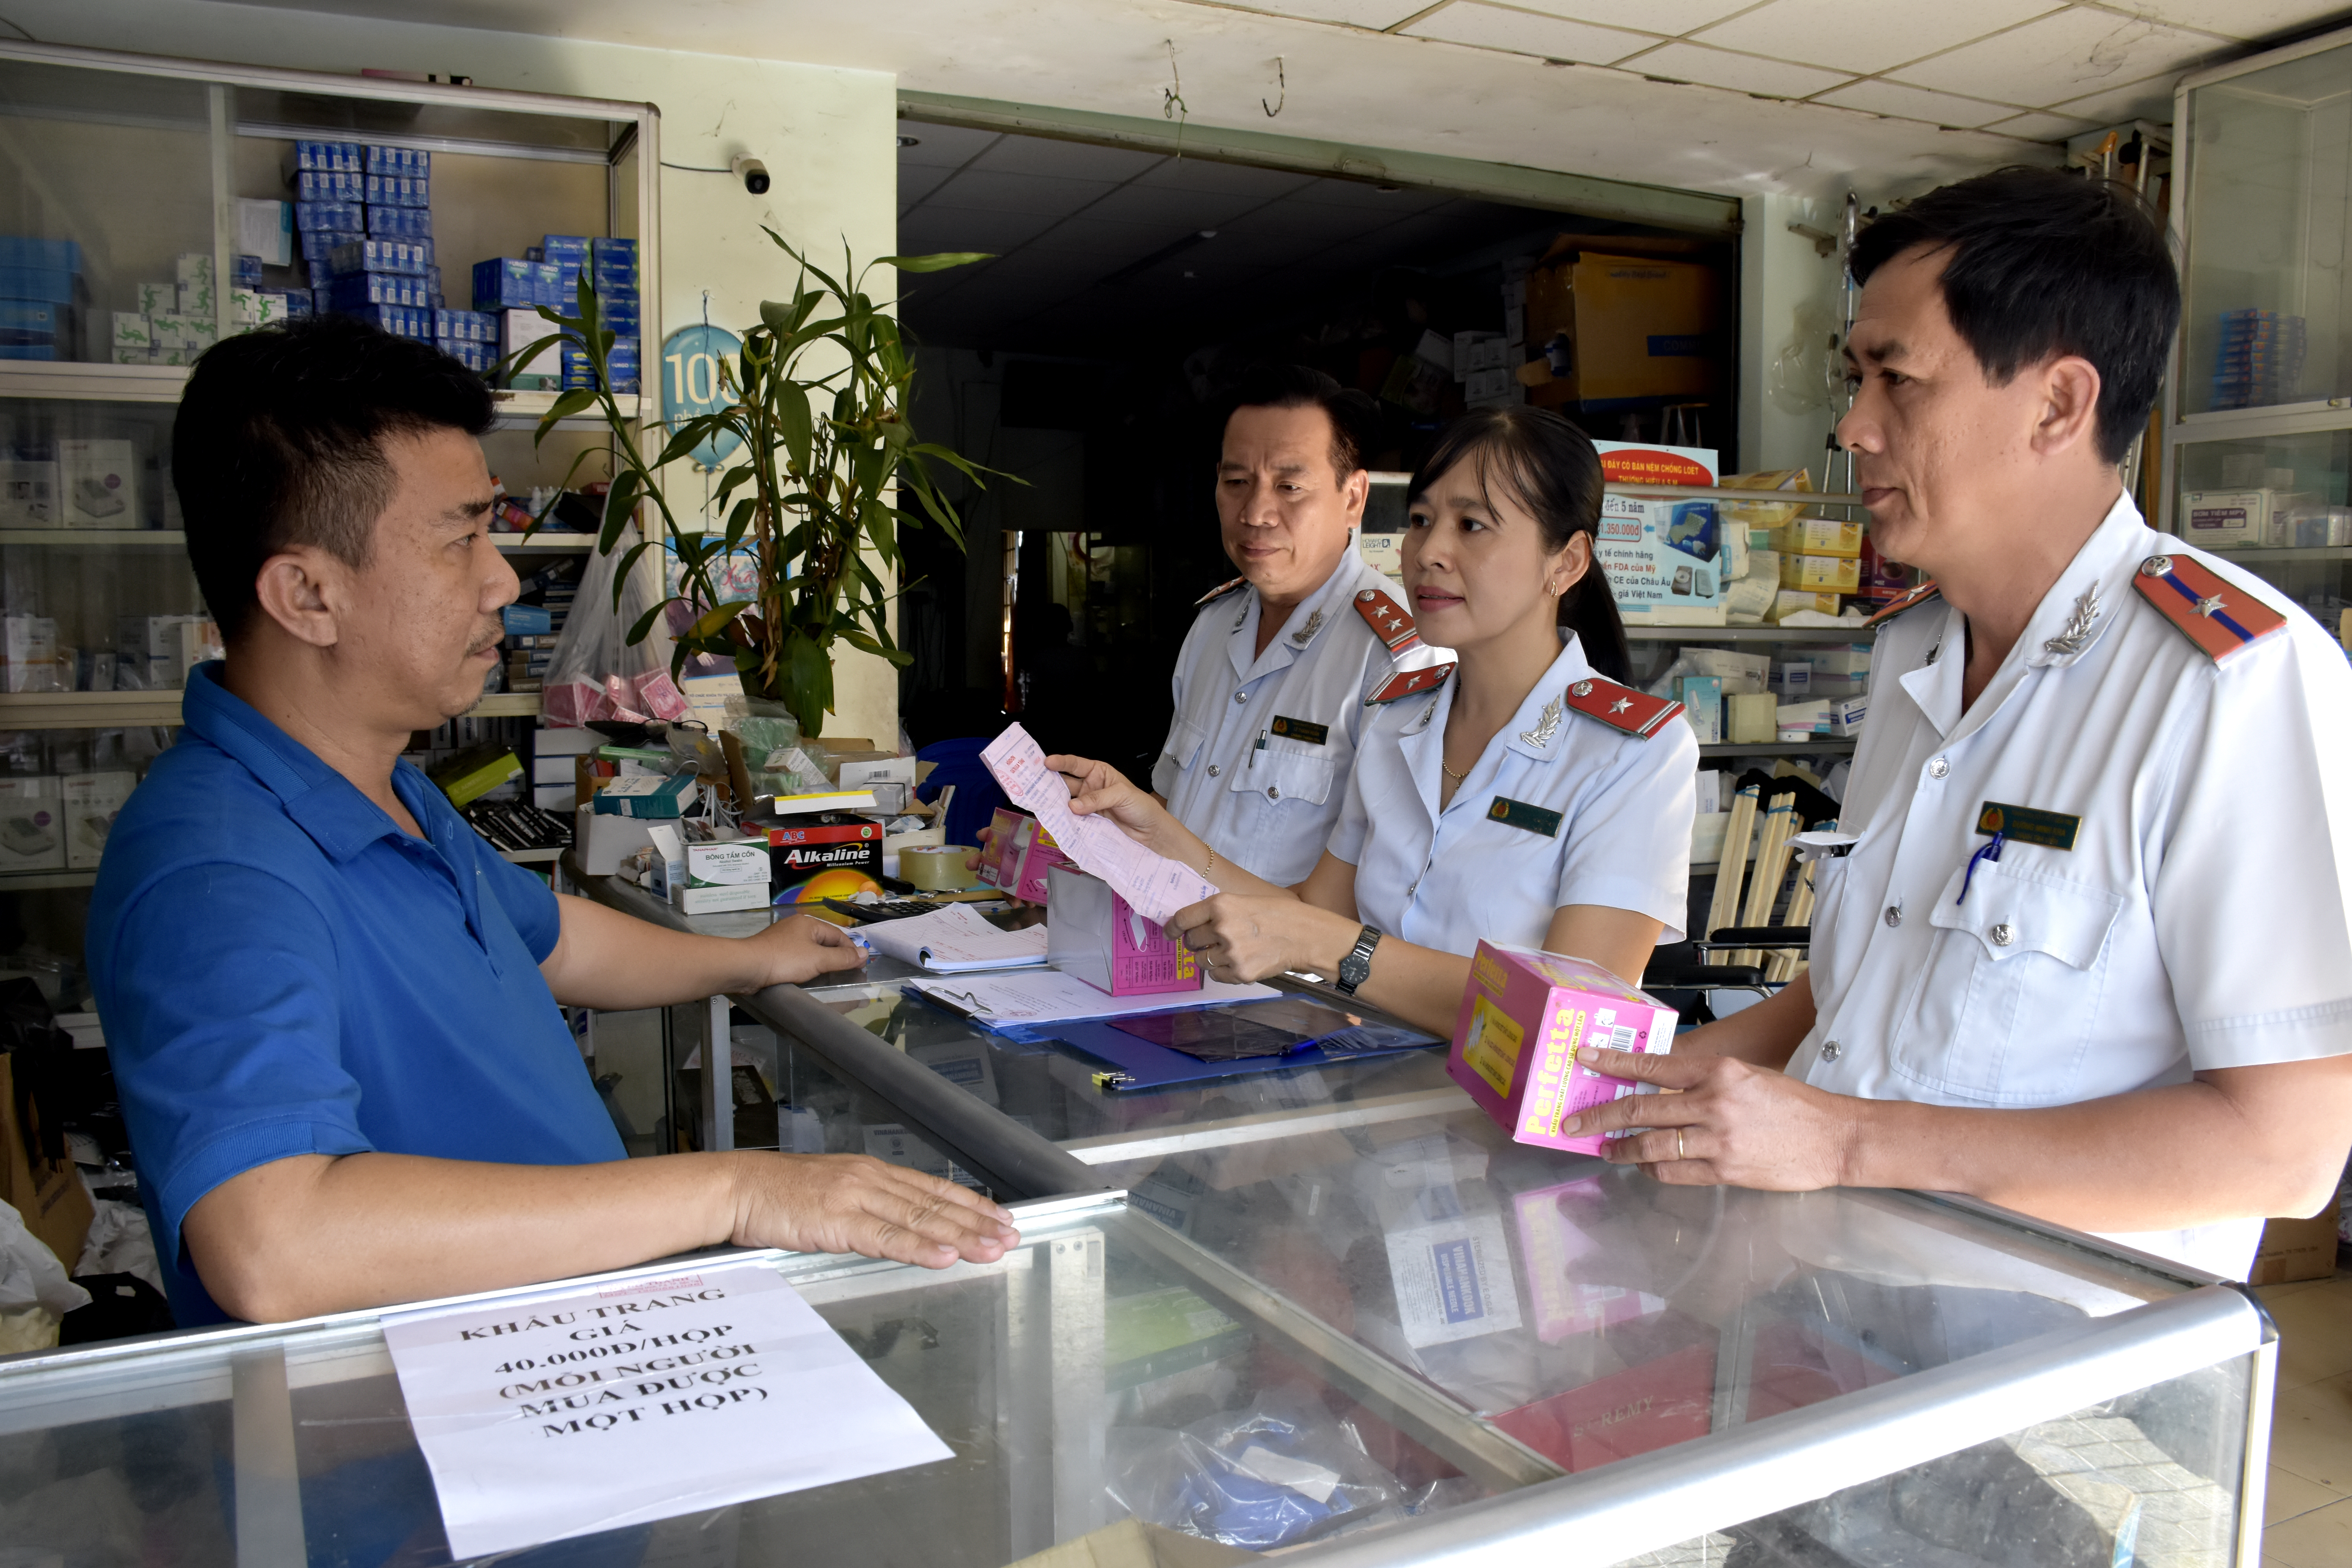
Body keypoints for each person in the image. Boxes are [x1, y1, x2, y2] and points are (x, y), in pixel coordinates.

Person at [87, 318, 1019, 1327]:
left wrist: (752, 958)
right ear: (307, 593)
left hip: (547, 1357)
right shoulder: (217, 868)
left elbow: (552, 939)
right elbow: (274, 1244)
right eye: (460, 539)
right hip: (416, 1451)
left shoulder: (385, 782)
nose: (501, 579)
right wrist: (739, 1188)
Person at [1568, 167, 2352, 1279]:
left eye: (1898, 381)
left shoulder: (2232, 685)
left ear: (2058, 405)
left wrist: (1842, 1142)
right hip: (1835, 1305)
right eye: (1855, 377)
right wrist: (1646, 1085)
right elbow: (1867, 984)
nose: (1853, 427)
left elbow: (2287, 1150)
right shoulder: (1914, 651)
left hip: (2057, 1372)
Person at [1050, 406, 1697, 1037]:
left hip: (1504, 1132)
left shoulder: (1634, 753)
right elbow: (1307, 916)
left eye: (1472, 525)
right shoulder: (1400, 717)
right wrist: (1156, 828)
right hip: (1368, 1098)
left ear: (1567, 562)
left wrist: (1341, 950)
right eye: (1421, 520)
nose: (1428, 553)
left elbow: (1575, 1019)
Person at [1149, 363, 1441, 886]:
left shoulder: (1401, 657)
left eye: (1289, 486)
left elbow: (1391, 885)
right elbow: (1166, 808)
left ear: (1352, 499)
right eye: (1236, 482)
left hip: (1288, 969)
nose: (1257, 512)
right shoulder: (1212, 627)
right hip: (1164, 959)